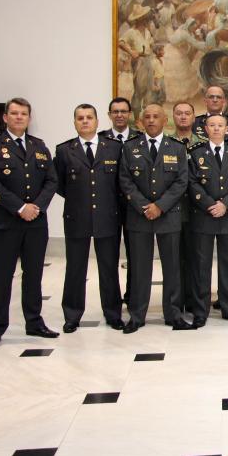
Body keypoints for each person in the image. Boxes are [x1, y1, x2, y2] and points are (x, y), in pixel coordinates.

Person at [0, 98, 59, 350]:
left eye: (23, 114)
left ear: (29, 118)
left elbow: (51, 180)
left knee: (34, 275)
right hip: (6, 222)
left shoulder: (39, 146)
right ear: (5, 117)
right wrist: (20, 207)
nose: (19, 117)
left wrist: (36, 207)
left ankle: (34, 322)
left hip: (35, 222)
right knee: (2, 277)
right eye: (14, 113)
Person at [118, 104, 192, 333]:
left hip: (168, 215)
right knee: (140, 268)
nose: (151, 120)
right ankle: (137, 316)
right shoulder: (130, 147)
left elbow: (182, 181)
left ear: (164, 120)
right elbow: (125, 180)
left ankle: (174, 314)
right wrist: (144, 206)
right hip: (139, 216)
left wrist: (160, 206)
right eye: (147, 117)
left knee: (172, 268)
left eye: (155, 116)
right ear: (141, 122)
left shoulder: (176, 147)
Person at [54, 104, 124, 333]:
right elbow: (59, 184)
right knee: (75, 269)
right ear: (74, 122)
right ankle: (72, 315)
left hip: (107, 216)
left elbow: (120, 183)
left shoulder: (114, 148)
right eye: (80, 118)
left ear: (97, 121)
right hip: (77, 217)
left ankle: (113, 313)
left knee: (109, 268)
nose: (85, 121)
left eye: (89, 117)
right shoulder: (64, 150)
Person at [187, 115, 228, 327]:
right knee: (201, 266)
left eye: (220, 125)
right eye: (212, 125)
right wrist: (209, 204)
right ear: (205, 128)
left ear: (226, 128)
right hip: (203, 216)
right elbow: (192, 182)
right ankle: (200, 311)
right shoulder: (196, 153)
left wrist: (225, 204)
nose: (216, 129)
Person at [100, 97, 141, 304]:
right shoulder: (100, 139)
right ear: (109, 115)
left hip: (135, 206)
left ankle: (133, 297)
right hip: (108, 207)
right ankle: (112, 301)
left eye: (123, 111)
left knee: (136, 256)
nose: (119, 115)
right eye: (115, 111)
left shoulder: (140, 138)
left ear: (129, 114)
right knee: (109, 257)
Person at [171, 101, 202, 314]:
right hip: (173, 208)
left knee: (196, 257)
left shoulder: (203, 144)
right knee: (175, 257)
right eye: (179, 113)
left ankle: (193, 299)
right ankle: (176, 299)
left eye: (187, 113)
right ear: (173, 117)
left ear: (193, 117)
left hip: (199, 209)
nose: (183, 117)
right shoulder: (166, 142)